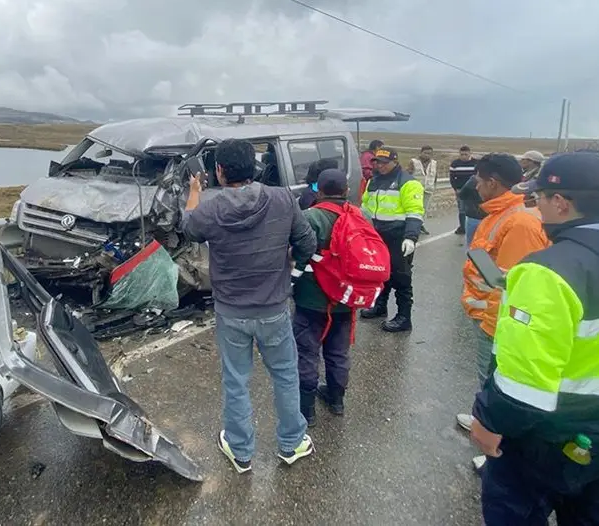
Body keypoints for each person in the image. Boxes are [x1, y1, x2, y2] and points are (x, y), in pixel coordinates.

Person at [469, 152, 599, 525]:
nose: (536, 209)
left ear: (562, 203)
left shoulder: (548, 270)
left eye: (539, 200)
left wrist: (488, 423)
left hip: (545, 436)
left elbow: (525, 378)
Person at [181, 138, 317, 473]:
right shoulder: (283, 199)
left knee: (236, 380)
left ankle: (241, 452)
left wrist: (195, 191)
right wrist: (291, 264)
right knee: (285, 375)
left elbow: (188, 227)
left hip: (231, 312)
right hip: (273, 309)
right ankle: (292, 443)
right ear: (254, 167)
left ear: (219, 171)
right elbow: (308, 242)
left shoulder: (210, 209)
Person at [454, 154, 551, 471]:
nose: (476, 186)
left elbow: (515, 285)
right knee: (488, 379)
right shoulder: (499, 215)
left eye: (479, 181)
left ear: (492, 182)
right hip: (488, 316)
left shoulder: (520, 223)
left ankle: (498, 448)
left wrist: (492, 320)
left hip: (501, 323)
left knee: (499, 382)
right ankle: (485, 418)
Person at [292, 169, 355, 426]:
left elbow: (295, 253)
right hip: (346, 299)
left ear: (318, 190)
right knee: (338, 351)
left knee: (307, 352)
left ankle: (306, 410)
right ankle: (336, 399)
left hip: (312, 298)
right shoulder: (359, 217)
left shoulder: (309, 217)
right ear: (346, 191)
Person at [358, 147, 425, 332]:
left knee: (401, 278)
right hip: (378, 237)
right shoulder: (373, 181)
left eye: (384, 163)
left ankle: (404, 317)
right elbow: (366, 208)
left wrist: (410, 237)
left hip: (399, 237)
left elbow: (415, 213)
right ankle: (380, 306)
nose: (380, 166)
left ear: (395, 162)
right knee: (380, 274)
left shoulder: (408, 183)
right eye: (377, 162)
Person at [407, 145, 438, 235]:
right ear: (421, 153)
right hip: (415, 190)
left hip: (428, 189)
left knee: (424, 209)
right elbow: (408, 174)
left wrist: (434, 186)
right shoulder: (414, 162)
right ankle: (412, 226)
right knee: (414, 208)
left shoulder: (434, 163)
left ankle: (421, 225)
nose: (427, 155)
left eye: (429, 153)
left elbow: (435, 176)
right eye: (425, 153)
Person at [450, 146, 479, 235]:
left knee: (475, 209)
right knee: (462, 210)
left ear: (470, 153)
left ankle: (477, 228)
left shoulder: (476, 163)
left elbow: (480, 177)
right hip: (460, 190)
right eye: (462, 154)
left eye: (466, 154)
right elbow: (452, 178)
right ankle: (462, 227)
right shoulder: (455, 164)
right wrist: (455, 188)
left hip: (474, 191)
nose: (464, 156)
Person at [457, 175, 486, 249]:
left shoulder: (473, 181)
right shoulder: (496, 181)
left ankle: (472, 259)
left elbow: (461, 195)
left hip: (473, 216)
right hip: (488, 217)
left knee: (471, 245)